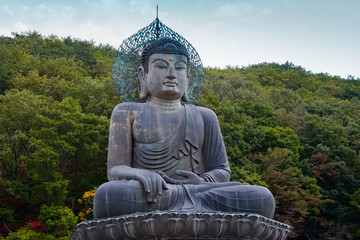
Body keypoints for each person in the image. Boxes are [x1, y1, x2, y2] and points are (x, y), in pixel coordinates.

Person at [93, 37, 275, 219]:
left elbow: (222, 170)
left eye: (179, 67)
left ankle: (190, 209)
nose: (171, 74)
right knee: (108, 195)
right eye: (161, 66)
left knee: (263, 198)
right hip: (152, 194)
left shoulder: (205, 115)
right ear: (143, 75)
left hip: (200, 191)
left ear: (187, 78)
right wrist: (141, 174)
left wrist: (202, 181)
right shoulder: (126, 111)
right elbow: (115, 170)